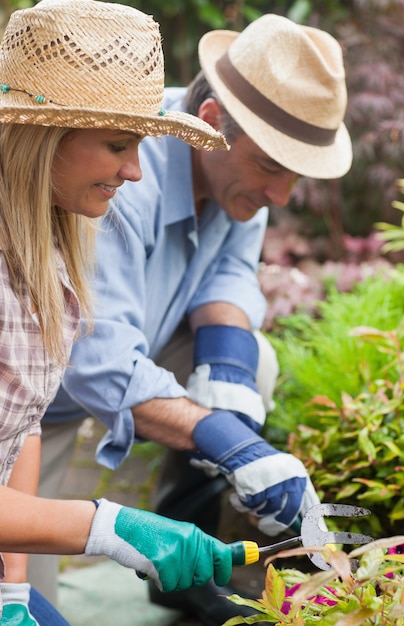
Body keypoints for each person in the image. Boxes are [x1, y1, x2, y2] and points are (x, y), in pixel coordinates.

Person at [31, 12, 353, 626]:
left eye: (294, 173)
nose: (281, 196)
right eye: (270, 168)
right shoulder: (116, 177)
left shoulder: (239, 172)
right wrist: (230, 444)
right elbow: (93, 362)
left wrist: (226, 371)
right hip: (32, 404)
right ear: (210, 126)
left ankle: (184, 559)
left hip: (125, 354)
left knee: (253, 359)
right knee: (27, 600)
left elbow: (229, 274)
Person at [0, 0, 235, 624]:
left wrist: (13, 592)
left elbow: (19, 422)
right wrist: (108, 525)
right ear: (42, 136)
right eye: (115, 145)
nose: (134, 171)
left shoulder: (48, 243)